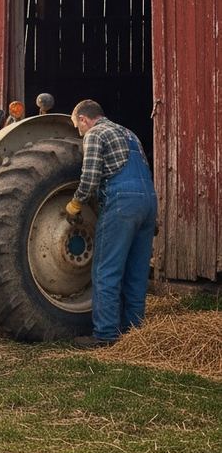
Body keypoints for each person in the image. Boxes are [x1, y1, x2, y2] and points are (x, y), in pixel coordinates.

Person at [64, 99, 157, 348]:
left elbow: (91, 176)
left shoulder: (95, 133)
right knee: (136, 273)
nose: (79, 131)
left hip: (122, 203)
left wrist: (76, 203)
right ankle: (134, 334)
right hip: (148, 201)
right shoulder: (129, 133)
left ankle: (105, 335)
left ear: (84, 119)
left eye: (77, 126)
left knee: (106, 271)